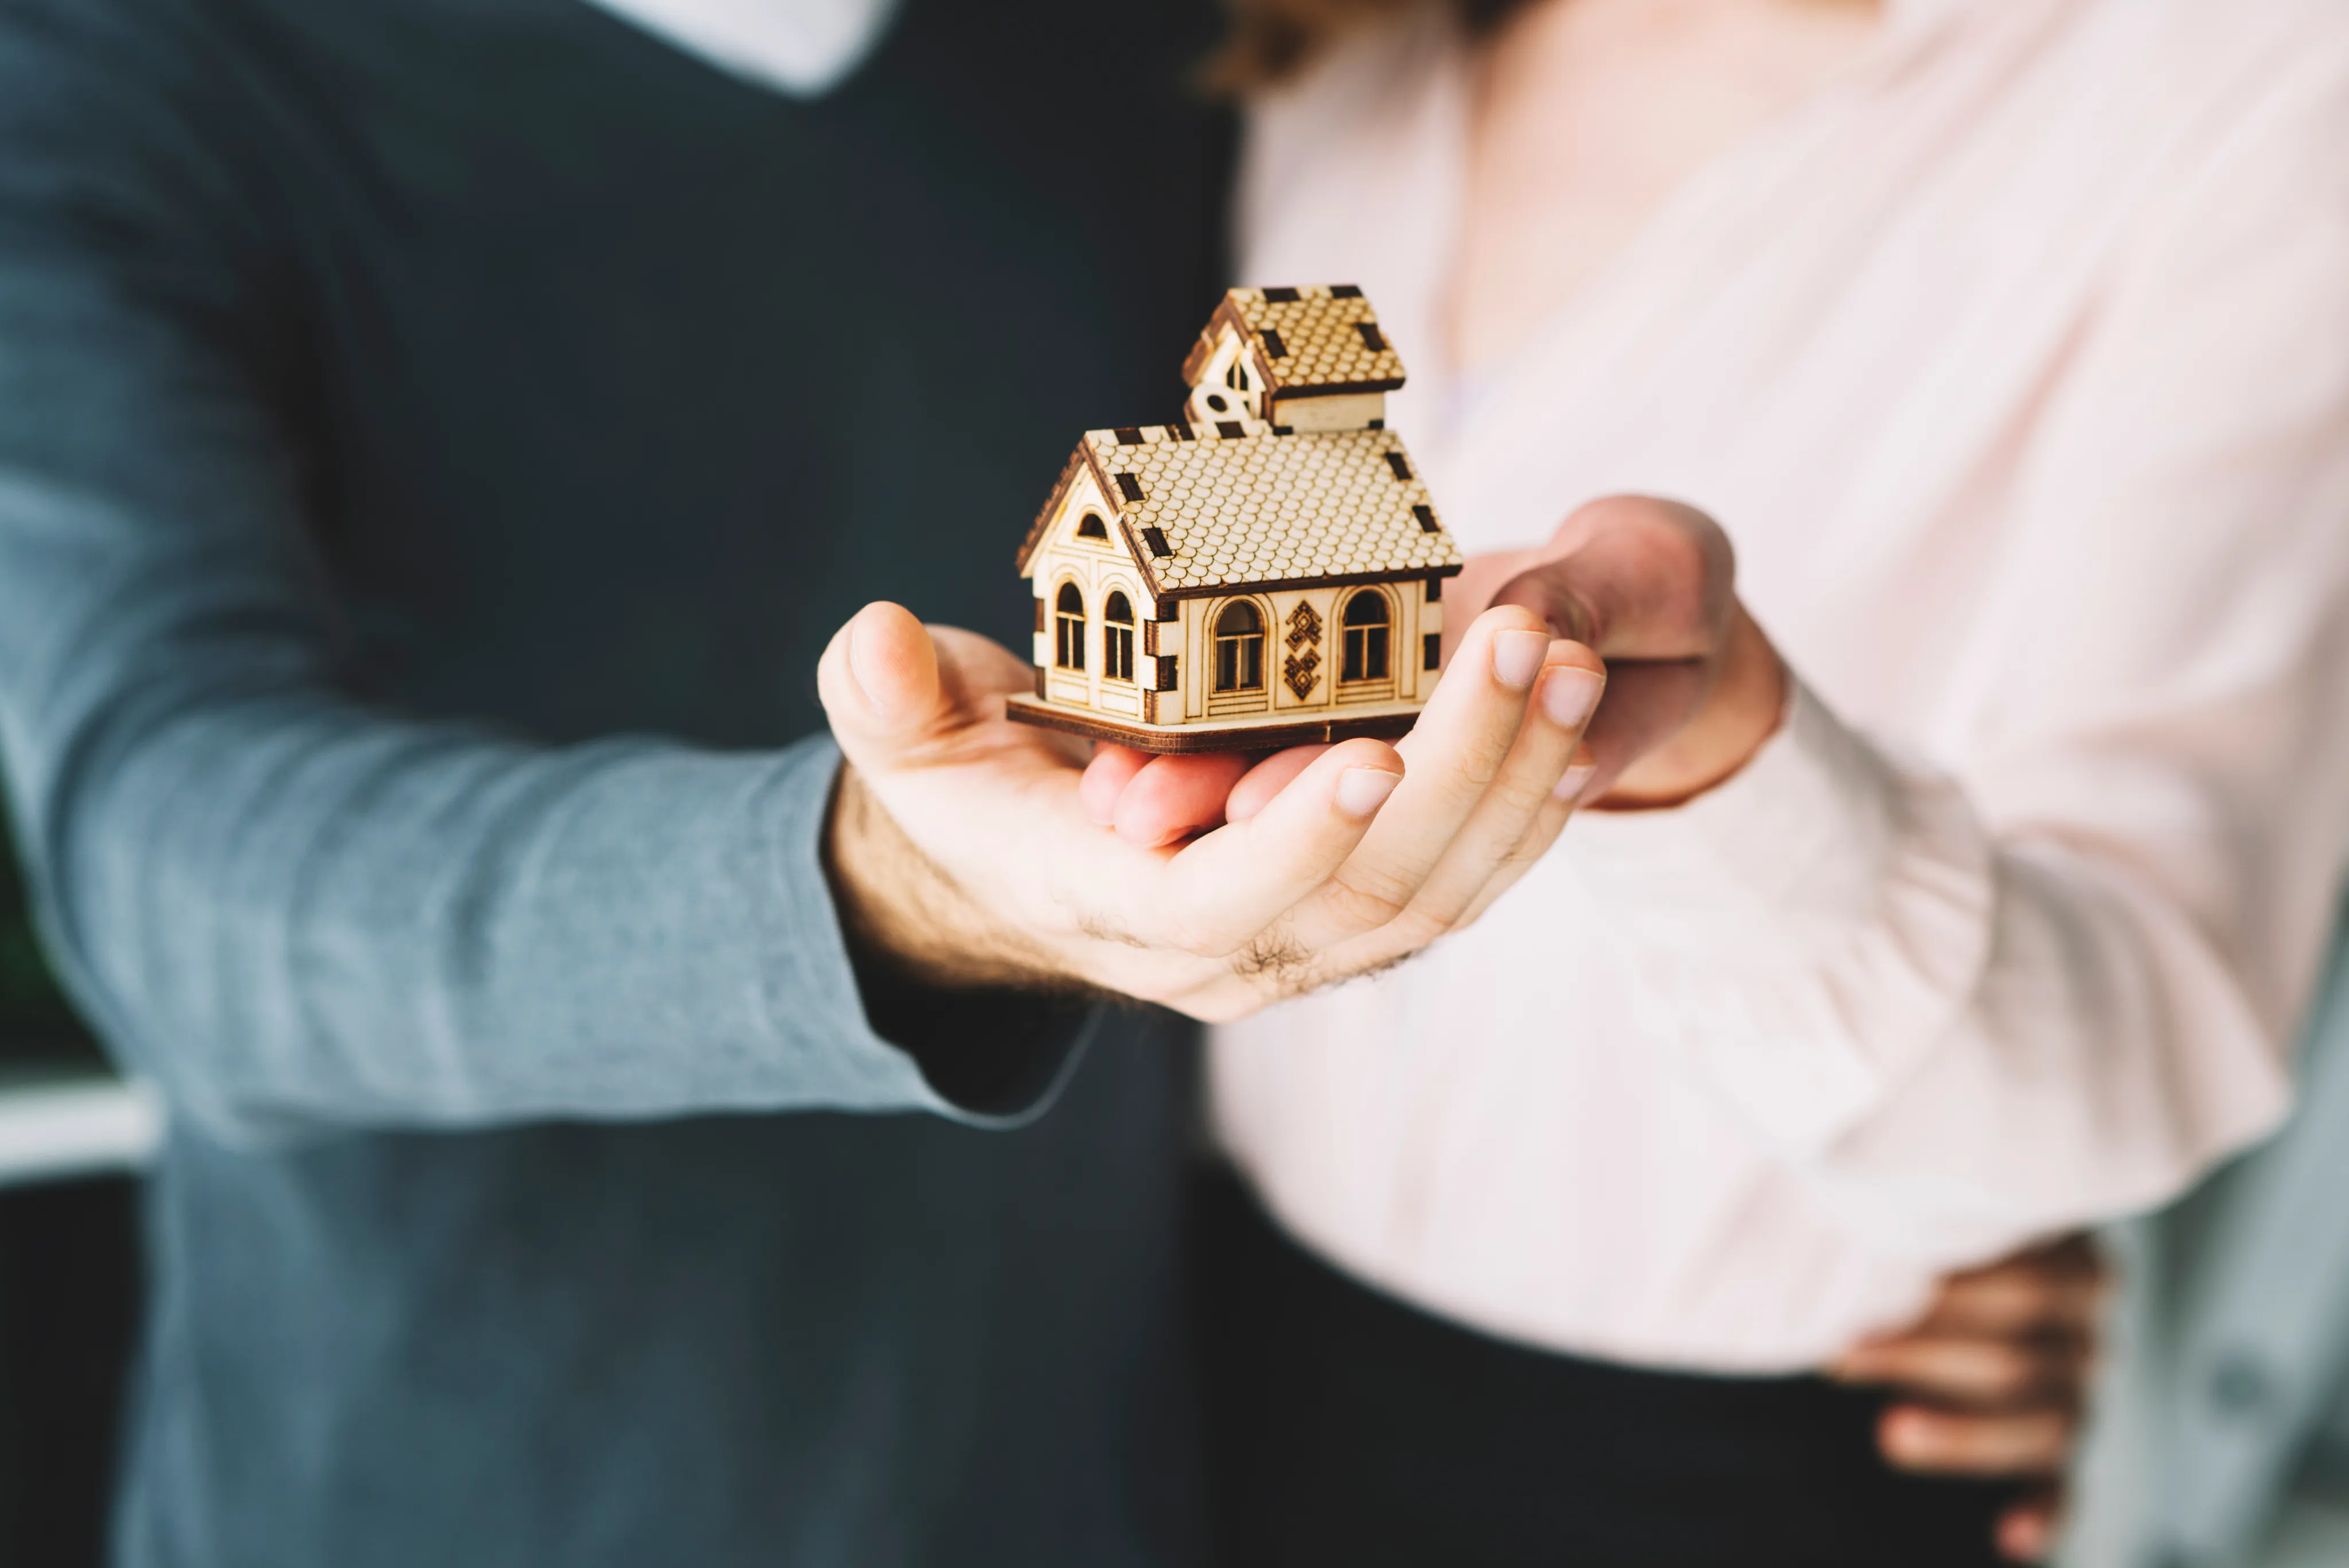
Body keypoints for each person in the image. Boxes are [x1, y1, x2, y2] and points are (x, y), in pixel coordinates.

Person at [1080, 0, 2349, 1562]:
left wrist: (1732, 768)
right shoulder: (1336, 49)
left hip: (1737, 1461)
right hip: (1196, 1373)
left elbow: (2146, 999)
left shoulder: (2251, 87)